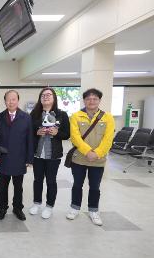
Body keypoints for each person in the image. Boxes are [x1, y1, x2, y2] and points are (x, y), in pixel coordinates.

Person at [66, 88, 115, 226]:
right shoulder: (76, 116)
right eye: (88, 99)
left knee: (95, 186)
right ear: (84, 100)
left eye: (95, 99)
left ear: (99, 100)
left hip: (98, 160)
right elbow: (75, 137)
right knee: (77, 185)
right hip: (79, 159)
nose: (91, 101)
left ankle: (93, 211)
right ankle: (74, 208)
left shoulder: (108, 117)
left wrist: (97, 153)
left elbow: (108, 139)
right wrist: (88, 152)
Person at [0, 90, 34, 221]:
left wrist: (29, 159)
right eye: (8, 99)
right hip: (3, 158)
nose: (11, 102)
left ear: (18, 100)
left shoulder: (26, 117)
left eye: (13, 99)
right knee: (3, 186)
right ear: (4, 101)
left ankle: (17, 208)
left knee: (18, 186)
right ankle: (2, 207)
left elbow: (30, 140)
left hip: (19, 158)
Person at [29, 88, 70, 219]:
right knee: (37, 180)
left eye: (49, 95)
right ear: (40, 98)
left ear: (54, 98)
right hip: (37, 154)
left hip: (53, 155)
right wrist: (36, 133)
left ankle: (49, 206)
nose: (46, 97)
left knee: (51, 181)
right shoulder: (34, 115)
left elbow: (67, 134)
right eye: (43, 95)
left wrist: (58, 133)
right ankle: (36, 203)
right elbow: (28, 134)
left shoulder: (62, 115)